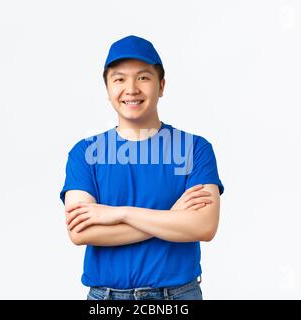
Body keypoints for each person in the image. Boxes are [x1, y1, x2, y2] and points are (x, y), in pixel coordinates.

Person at [59, 35, 224, 300]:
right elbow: (81, 231)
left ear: (161, 86)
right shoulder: (86, 153)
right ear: (108, 88)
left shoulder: (194, 149)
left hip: (177, 297)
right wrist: (172, 216)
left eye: (143, 77)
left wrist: (118, 214)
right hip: (106, 298)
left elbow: (203, 226)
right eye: (119, 79)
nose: (132, 89)